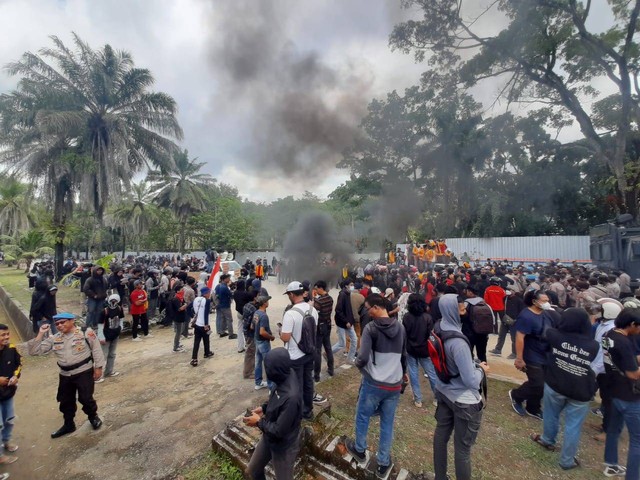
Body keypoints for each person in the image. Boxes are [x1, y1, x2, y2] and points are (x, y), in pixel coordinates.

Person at [345, 293, 407, 480]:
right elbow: (404, 355)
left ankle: (360, 449)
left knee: (363, 415)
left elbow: (362, 357)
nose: (367, 311)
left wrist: (358, 364)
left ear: (377, 307)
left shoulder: (371, 328)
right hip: (394, 385)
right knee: (387, 422)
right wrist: (403, 375)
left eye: (368, 308)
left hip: (374, 383)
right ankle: (383, 463)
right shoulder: (400, 327)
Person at [529, 308, 598, 471]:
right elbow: (594, 366)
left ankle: (547, 440)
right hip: (581, 390)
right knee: (573, 426)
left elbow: (547, 339)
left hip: (555, 384)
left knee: (550, 414)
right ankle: (567, 461)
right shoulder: (593, 345)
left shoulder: (554, 335)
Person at [433, 294, 489, 480]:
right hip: (464, 400)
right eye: (461, 308)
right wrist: (481, 369)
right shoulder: (459, 343)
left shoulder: (439, 327)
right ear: (451, 310)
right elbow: (471, 381)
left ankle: (440, 476)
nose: (465, 309)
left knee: (441, 437)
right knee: (463, 450)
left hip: (443, 391)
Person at [27, 312, 105, 438]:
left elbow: (96, 349)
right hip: (65, 374)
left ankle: (93, 417)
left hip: (83, 371)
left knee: (85, 398)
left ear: (72, 321)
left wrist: (98, 368)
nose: (59, 325)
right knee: (65, 400)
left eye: (62, 322)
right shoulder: (55, 338)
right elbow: (34, 351)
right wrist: (41, 333)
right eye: (57, 323)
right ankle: (69, 424)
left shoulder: (85, 332)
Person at [245, 348, 302, 480]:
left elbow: (278, 431)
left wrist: (258, 422)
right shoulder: (285, 373)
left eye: (268, 369)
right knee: (253, 471)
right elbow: (276, 398)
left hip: (284, 445)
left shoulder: (291, 398)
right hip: (268, 435)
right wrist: (264, 408)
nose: (267, 373)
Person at [602, 308, 640, 478]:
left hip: (613, 390)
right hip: (629, 396)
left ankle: (610, 465)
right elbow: (633, 373)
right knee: (637, 441)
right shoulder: (624, 343)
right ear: (632, 324)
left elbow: (625, 358)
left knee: (613, 430)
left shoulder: (609, 334)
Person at [509, 290, 558, 420]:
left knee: (544, 383)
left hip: (545, 353)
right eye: (544, 300)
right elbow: (520, 338)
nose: (547, 303)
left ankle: (533, 407)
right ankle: (516, 395)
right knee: (537, 383)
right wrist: (519, 358)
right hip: (531, 354)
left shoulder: (546, 314)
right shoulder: (526, 316)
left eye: (548, 300)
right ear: (534, 301)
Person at [281, 281, 324, 421]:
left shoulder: (290, 313)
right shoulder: (313, 310)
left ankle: (297, 414)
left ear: (292, 294)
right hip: (309, 352)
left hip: (295, 356)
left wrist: (280, 332)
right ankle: (308, 411)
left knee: (296, 386)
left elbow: (285, 337)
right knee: (308, 382)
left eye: (288, 294)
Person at [402, 293, 437, 408]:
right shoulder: (427, 317)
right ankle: (437, 397)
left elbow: (404, 334)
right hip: (425, 350)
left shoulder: (406, 317)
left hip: (411, 349)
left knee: (413, 374)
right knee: (431, 373)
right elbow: (430, 335)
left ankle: (418, 399)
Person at [0, 325, 20, 465]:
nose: (6, 337)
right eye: (3, 335)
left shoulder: (12, 348)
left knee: (9, 420)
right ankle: (0, 456)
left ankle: (6, 442)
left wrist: (15, 376)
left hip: (8, 393)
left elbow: (19, 365)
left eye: (7, 334)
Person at [96, 294, 124, 381]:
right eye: (112, 301)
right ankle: (97, 375)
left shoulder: (120, 309)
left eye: (115, 301)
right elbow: (100, 325)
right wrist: (101, 336)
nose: (113, 303)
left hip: (115, 334)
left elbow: (121, 318)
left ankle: (109, 371)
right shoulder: (104, 311)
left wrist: (120, 327)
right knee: (103, 355)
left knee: (112, 354)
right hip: (106, 335)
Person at [313, 281, 334, 382]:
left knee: (318, 351)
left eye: (316, 288)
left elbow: (314, 313)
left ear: (321, 288)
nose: (316, 290)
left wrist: (314, 300)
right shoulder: (330, 298)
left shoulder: (319, 301)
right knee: (328, 348)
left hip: (320, 327)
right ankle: (331, 369)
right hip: (328, 325)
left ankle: (316, 375)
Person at [332, 280, 357, 363]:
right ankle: (328, 353)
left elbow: (348, 310)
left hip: (349, 322)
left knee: (354, 340)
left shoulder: (348, 294)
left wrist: (351, 320)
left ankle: (350, 358)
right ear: (346, 286)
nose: (352, 286)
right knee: (341, 343)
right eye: (351, 284)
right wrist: (346, 321)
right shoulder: (342, 295)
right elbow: (338, 310)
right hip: (342, 323)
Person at [254, 296, 275, 390]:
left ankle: (258, 382)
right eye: (267, 301)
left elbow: (252, 326)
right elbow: (262, 332)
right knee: (268, 363)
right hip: (263, 342)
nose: (268, 302)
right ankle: (271, 387)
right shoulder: (264, 315)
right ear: (264, 303)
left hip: (257, 340)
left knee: (258, 362)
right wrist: (271, 337)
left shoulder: (256, 313)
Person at [191, 287, 214, 366]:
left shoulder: (196, 299)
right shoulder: (207, 301)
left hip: (197, 324)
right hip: (204, 324)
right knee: (206, 338)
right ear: (206, 293)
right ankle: (207, 352)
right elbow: (206, 314)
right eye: (209, 292)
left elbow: (189, 309)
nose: (209, 294)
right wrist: (206, 324)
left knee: (196, 342)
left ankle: (194, 359)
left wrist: (194, 315)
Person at [166, 283, 187, 353]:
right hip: (177, 317)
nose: (183, 291)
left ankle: (178, 343)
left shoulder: (181, 297)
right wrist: (186, 305)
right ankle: (175, 347)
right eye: (182, 290)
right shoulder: (176, 299)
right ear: (178, 291)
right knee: (178, 332)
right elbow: (179, 309)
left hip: (181, 316)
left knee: (180, 331)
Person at [233, 279, 254, 353]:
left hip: (239, 313)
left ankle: (240, 347)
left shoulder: (235, 293)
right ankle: (248, 345)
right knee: (247, 330)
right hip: (246, 314)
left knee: (239, 330)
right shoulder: (245, 293)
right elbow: (252, 297)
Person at [215, 274, 236, 339]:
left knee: (222, 319)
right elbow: (230, 294)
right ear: (224, 279)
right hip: (225, 305)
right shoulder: (224, 287)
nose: (229, 280)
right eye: (228, 278)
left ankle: (222, 332)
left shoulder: (219, 286)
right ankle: (231, 334)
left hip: (220, 304)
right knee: (229, 319)